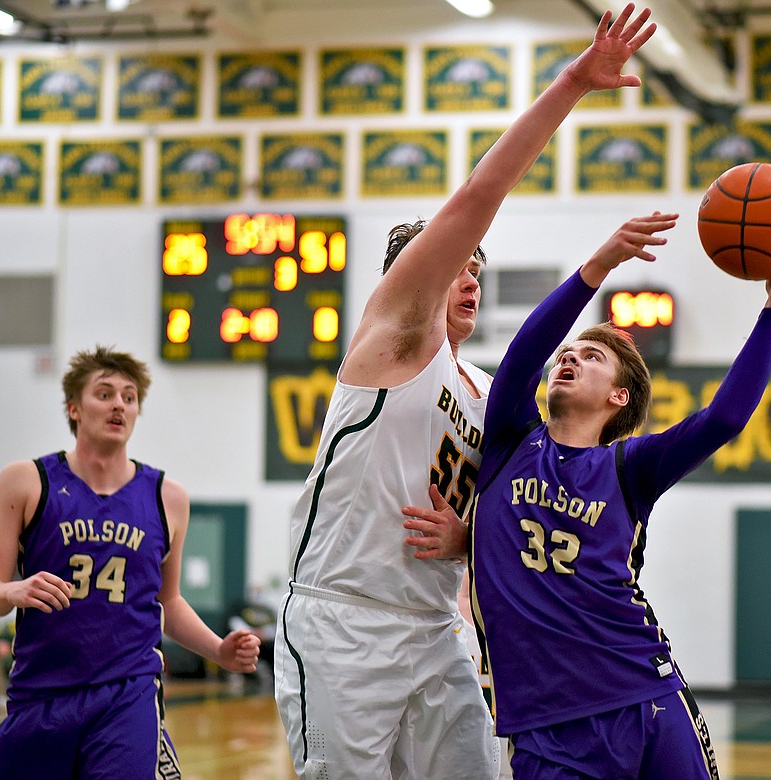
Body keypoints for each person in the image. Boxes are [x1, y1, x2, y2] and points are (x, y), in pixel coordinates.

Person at [272, 6, 657, 778]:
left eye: (481, 270)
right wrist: (573, 84)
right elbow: (480, 193)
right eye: (458, 266)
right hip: (345, 620)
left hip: (435, 627)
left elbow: (515, 510)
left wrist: (470, 539)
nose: (471, 278)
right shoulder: (396, 337)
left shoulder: (488, 392)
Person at [406, 212, 771, 778]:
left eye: (592, 357)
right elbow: (528, 352)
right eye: (569, 353)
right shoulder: (510, 441)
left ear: (619, 398)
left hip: (646, 696)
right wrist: (598, 266)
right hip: (546, 724)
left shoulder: (630, 467)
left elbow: (724, 417)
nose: (570, 357)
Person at [0, 345, 260, 779]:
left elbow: (169, 602)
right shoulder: (27, 481)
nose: (119, 405)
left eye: (129, 397)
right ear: (74, 407)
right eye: (104, 393)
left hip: (127, 695)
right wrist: (15, 590)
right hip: (41, 693)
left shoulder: (168, 497)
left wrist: (218, 649)